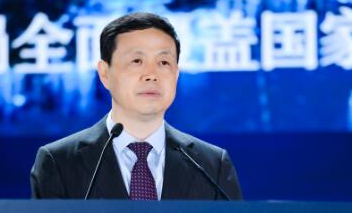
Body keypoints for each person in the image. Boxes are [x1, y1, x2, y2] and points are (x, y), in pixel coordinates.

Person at [30, 12, 243, 200]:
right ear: (105, 73)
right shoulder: (59, 161)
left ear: (176, 75)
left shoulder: (212, 165)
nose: (151, 75)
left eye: (163, 63)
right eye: (136, 61)